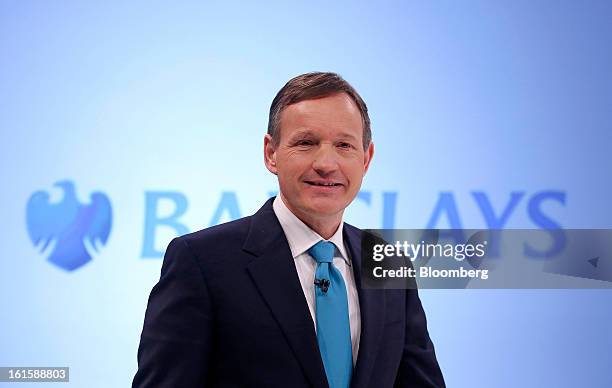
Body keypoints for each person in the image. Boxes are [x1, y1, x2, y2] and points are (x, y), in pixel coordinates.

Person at [132, 72, 445, 387]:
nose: (326, 162)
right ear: (271, 153)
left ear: (366, 159)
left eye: (344, 145)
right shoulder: (201, 262)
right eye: (306, 143)